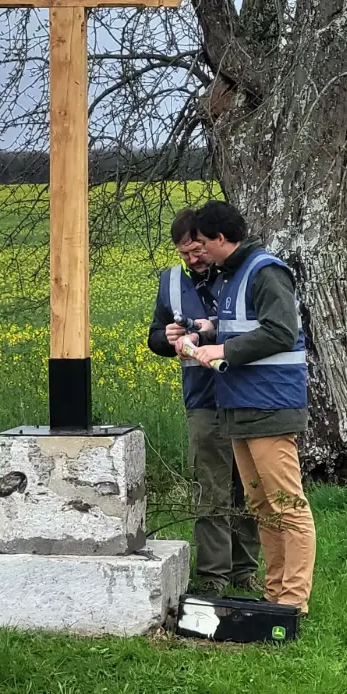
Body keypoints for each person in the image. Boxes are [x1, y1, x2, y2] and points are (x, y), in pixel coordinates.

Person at [189, 200, 316, 615]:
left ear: (222, 238)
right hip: (241, 408)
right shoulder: (232, 276)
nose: (201, 251)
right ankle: (275, 594)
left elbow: (281, 332)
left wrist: (222, 347)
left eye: (205, 243)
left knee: (290, 507)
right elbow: (248, 326)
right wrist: (209, 331)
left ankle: (294, 601)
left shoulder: (265, 271)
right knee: (262, 506)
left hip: (270, 406)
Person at [148, 208, 261, 596]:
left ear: (212, 240)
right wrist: (168, 337)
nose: (194, 259)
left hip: (246, 393)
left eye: (198, 249)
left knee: (247, 487)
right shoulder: (171, 282)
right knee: (210, 489)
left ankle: (245, 571)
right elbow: (155, 338)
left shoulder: (237, 273)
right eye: (185, 254)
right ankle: (214, 577)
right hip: (203, 397)